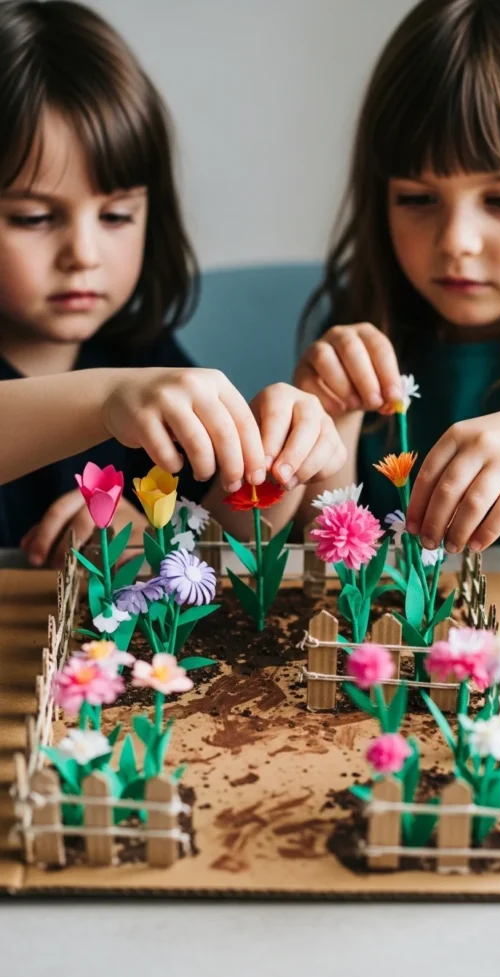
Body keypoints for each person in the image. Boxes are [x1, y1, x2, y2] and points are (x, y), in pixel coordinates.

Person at [0, 1, 345, 564]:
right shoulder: (136, 385)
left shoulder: (142, 354)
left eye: (116, 215)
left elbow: (218, 541)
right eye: (33, 218)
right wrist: (108, 402)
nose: (83, 254)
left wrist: (278, 465)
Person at [294, 0, 500, 553]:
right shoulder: (364, 343)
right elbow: (324, 563)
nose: (455, 240)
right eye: (417, 199)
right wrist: (326, 428)